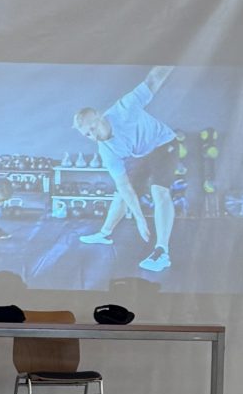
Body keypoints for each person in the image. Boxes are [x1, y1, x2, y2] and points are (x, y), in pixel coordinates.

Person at [74, 68, 181, 275]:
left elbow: (153, 80)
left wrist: (172, 59)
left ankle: (162, 252)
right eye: (87, 135)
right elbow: (123, 186)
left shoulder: (124, 109)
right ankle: (105, 233)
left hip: (164, 144)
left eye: (93, 129)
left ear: (99, 117)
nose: (93, 136)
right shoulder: (106, 150)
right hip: (142, 153)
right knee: (122, 193)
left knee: (159, 191)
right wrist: (139, 218)